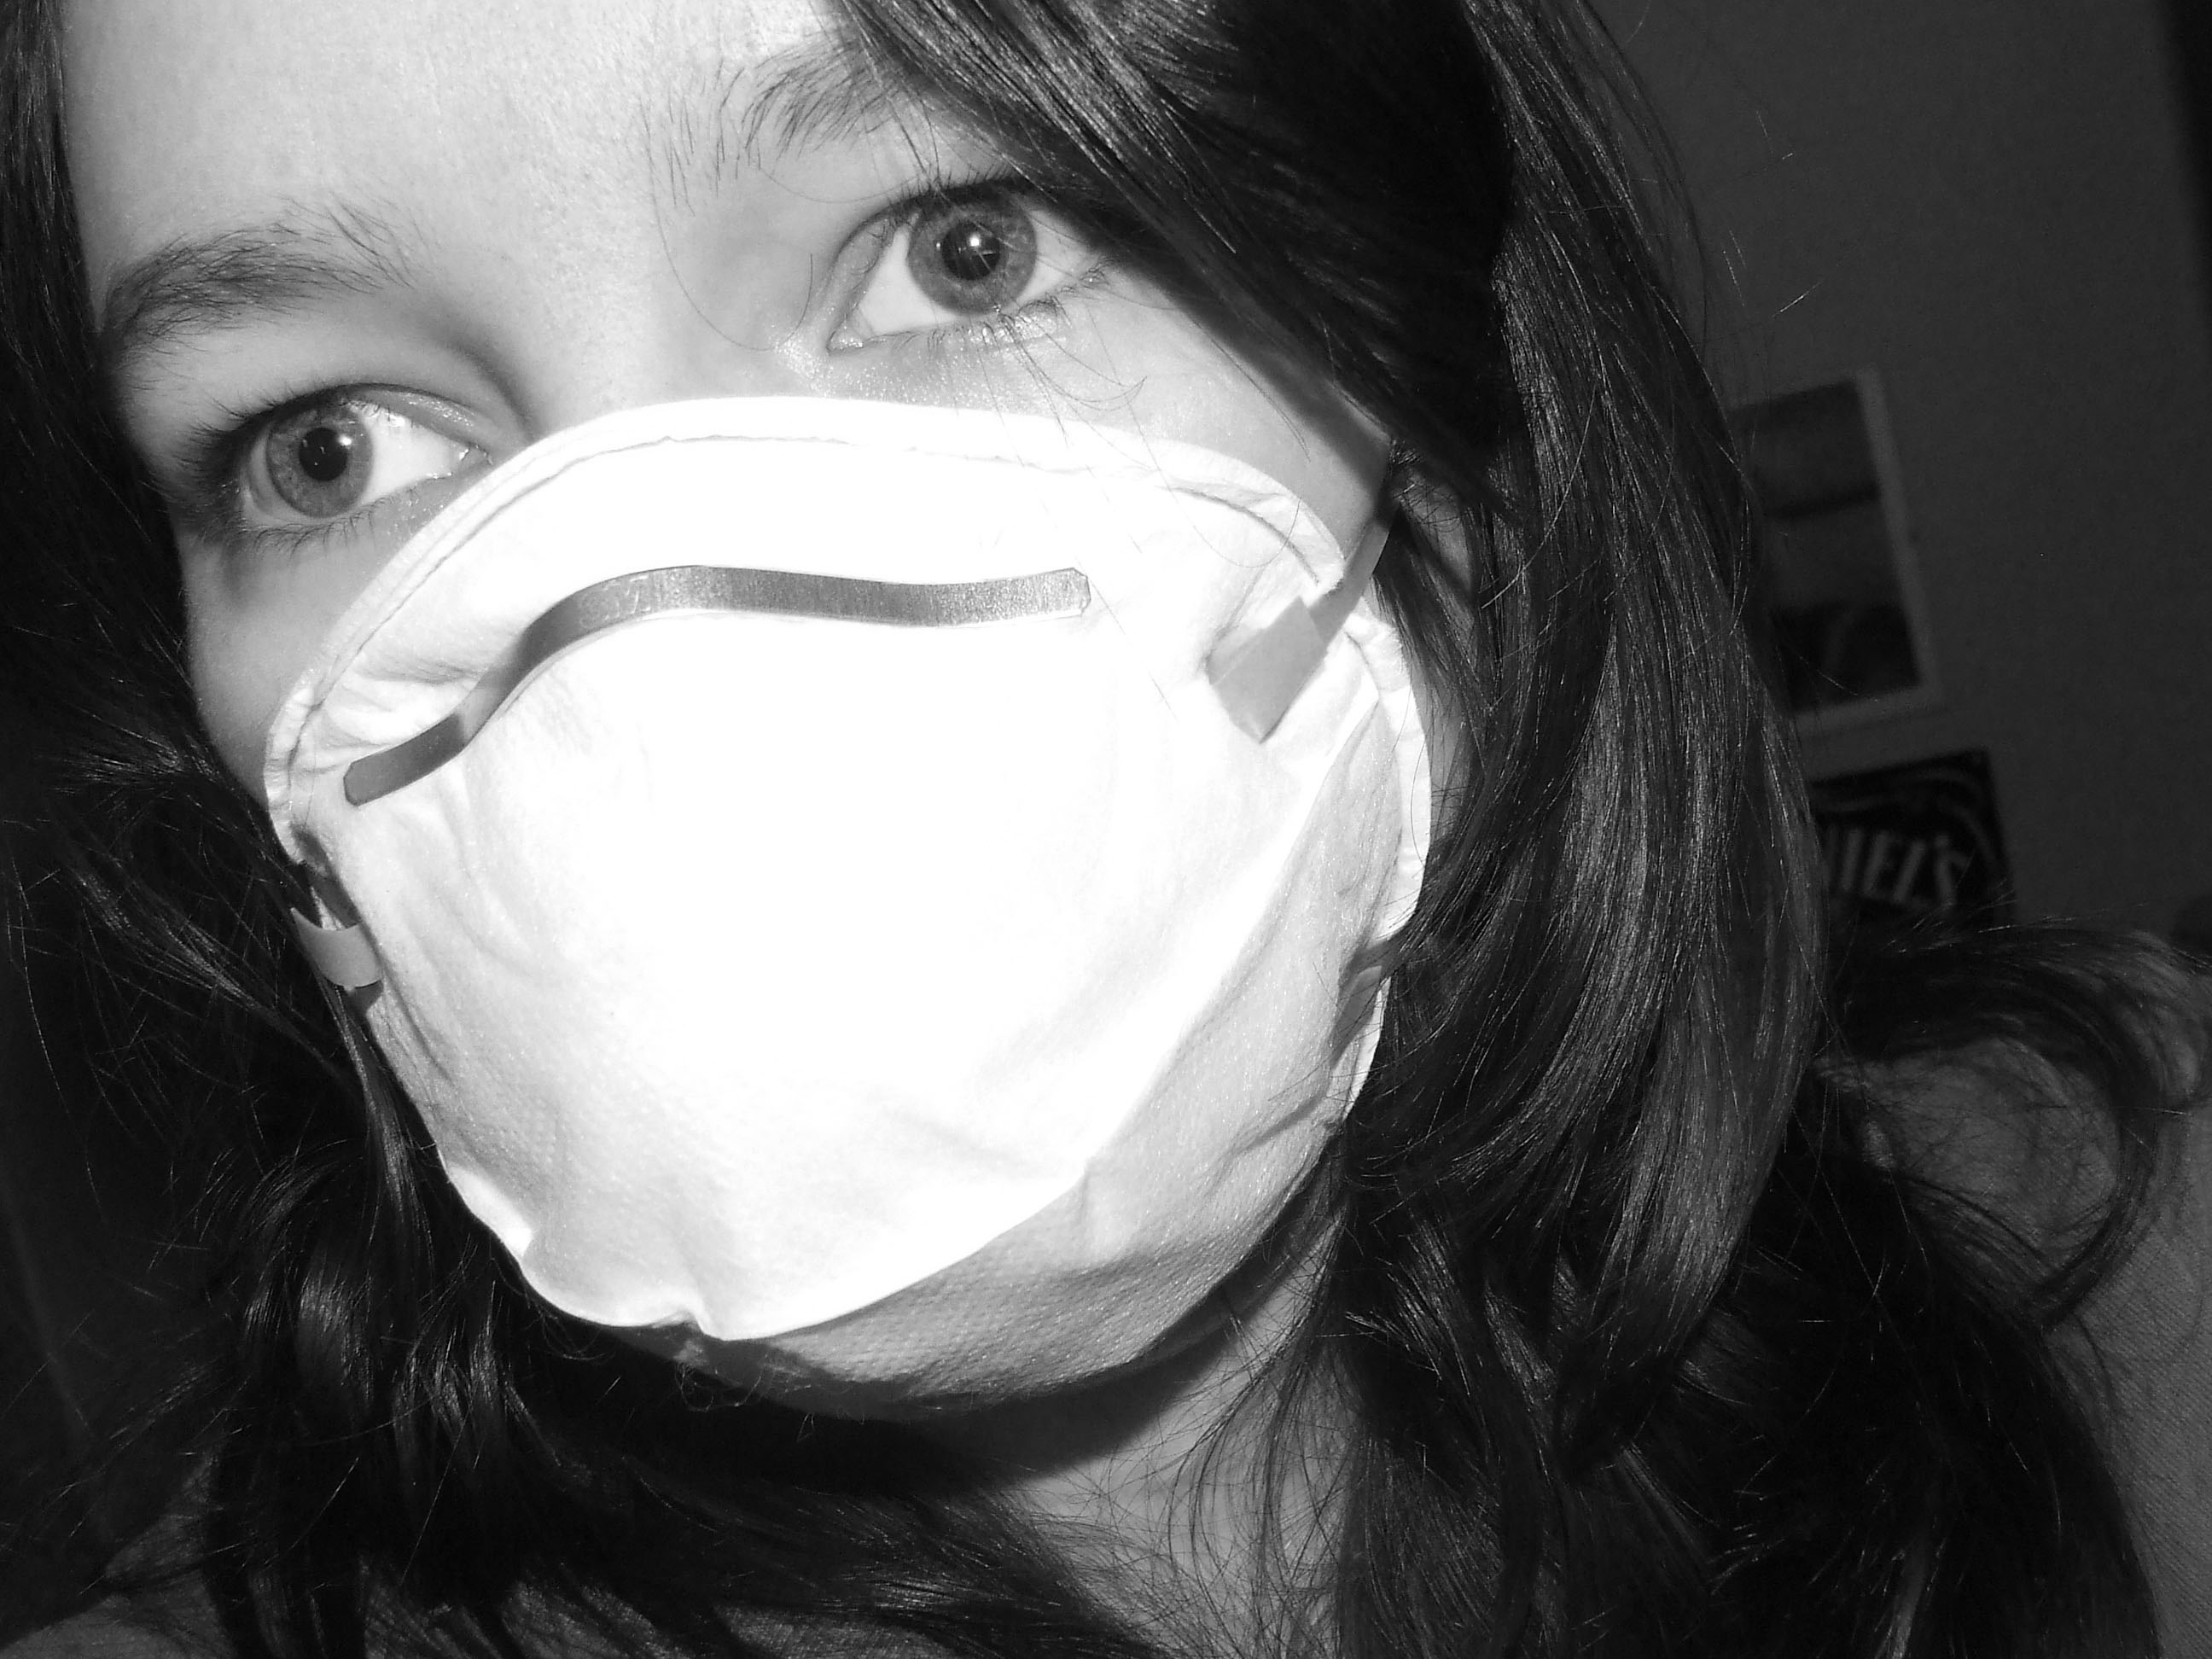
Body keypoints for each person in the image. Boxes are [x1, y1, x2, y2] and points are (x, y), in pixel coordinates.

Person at [0, 0, 2203, 1655]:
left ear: (1440, 379)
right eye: (325, 449)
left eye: (966, 248)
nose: (645, 650)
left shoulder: (2139, 1257)